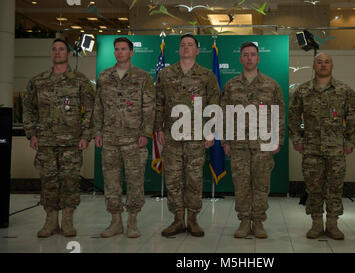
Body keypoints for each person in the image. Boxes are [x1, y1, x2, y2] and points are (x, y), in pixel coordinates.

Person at [23, 39, 95, 238]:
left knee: (70, 181)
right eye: (54, 49)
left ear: (69, 54)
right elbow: (28, 109)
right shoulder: (38, 81)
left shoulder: (80, 81)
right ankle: (50, 221)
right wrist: (32, 133)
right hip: (45, 142)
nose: (57, 52)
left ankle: (68, 221)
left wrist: (86, 135)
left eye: (61, 49)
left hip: (71, 142)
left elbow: (90, 110)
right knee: (48, 182)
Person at [288, 53, 355, 240]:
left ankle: (333, 224)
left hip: (336, 150)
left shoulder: (344, 90)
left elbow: (353, 119)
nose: (323, 65)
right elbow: (293, 118)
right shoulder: (303, 91)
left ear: (332, 65)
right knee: (314, 188)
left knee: (335, 188)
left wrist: (350, 142)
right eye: (319, 62)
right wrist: (297, 140)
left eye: (327, 62)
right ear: (313, 65)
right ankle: (317, 224)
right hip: (311, 150)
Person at [155, 34, 220, 237]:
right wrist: (158, 128)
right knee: (173, 179)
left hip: (196, 136)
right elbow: (158, 103)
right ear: (179, 49)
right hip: (172, 135)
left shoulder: (207, 75)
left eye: (190, 45)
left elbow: (214, 104)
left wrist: (211, 131)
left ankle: (192, 219)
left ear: (197, 50)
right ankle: (177, 220)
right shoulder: (165, 74)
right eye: (183, 45)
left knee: (194, 178)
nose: (186, 48)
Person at [221, 42, 285, 239]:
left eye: (252, 55)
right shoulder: (231, 85)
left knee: (261, 184)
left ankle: (257, 222)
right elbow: (223, 114)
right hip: (239, 145)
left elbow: (279, 114)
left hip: (263, 144)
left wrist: (278, 140)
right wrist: (225, 141)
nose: (249, 58)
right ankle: (243, 221)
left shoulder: (271, 84)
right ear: (240, 59)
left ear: (258, 58)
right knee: (241, 185)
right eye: (245, 55)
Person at [93, 37, 155, 238]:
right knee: (111, 182)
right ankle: (115, 222)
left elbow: (149, 107)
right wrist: (98, 132)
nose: (119, 52)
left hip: (133, 140)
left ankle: (133, 221)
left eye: (123, 49)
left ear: (131, 52)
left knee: (135, 181)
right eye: (116, 49)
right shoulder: (104, 76)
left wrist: (146, 133)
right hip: (110, 139)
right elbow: (98, 107)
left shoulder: (142, 77)